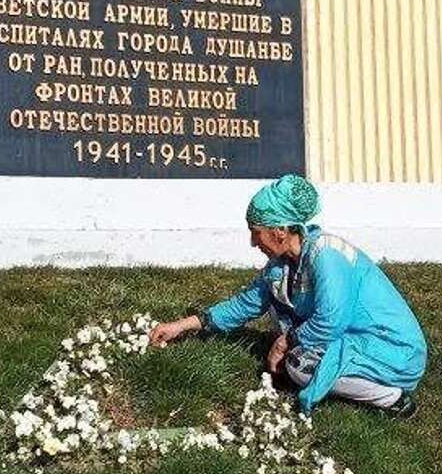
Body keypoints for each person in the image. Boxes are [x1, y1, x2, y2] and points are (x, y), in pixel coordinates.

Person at [149, 175, 427, 417]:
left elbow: (331, 319)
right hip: (355, 341)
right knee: (297, 359)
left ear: (279, 231)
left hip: (392, 349)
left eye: (256, 233)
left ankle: (393, 399)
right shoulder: (280, 267)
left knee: (299, 366)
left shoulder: (327, 254)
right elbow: (245, 304)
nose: (253, 242)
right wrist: (181, 326)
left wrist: (285, 342)